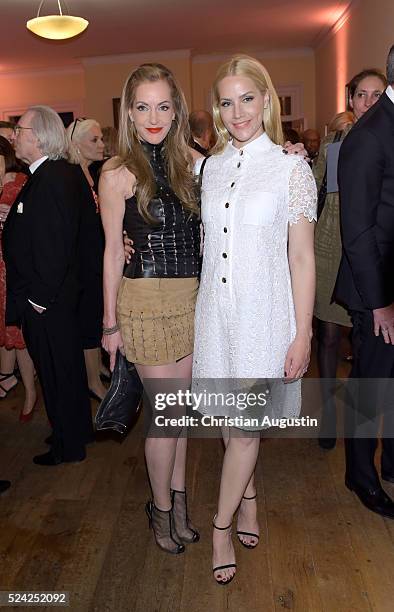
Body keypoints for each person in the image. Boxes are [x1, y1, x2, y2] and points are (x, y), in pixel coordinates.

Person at [192, 54, 316, 585]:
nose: (238, 110)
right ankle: (248, 500)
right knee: (227, 425)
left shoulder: (291, 168)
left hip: (264, 316)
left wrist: (303, 330)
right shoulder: (210, 167)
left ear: (266, 99)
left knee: (244, 430)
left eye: (247, 97)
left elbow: (302, 259)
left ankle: (220, 528)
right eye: (227, 101)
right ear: (217, 111)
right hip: (214, 315)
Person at [100, 63, 202, 554]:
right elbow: (112, 252)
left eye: (163, 105)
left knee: (180, 416)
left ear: (176, 109)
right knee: (165, 420)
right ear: (129, 114)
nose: (154, 116)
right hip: (143, 301)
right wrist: (109, 323)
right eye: (143, 107)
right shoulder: (117, 172)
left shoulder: (192, 162)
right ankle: (160, 509)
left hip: (192, 300)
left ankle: (178, 504)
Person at [2, 105, 94, 466]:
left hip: (48, 300)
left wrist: (39, 299)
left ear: (38, 136)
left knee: (58, 373)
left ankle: (67, 445)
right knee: (64, 371)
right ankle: (74, 432)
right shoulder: (50, 173)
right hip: (55, 297)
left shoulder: (53, 176)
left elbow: (56, 244)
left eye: (19, 129)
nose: (14, 136)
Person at [334, 47, 394, 518]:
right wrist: (381, 303)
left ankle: (390, 462)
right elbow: (356, 231)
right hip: (375, 291)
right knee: (371, 386)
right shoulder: (368, 136)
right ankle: (360, 473)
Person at [314, 69, 387, 450]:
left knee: (365, 342)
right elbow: (312, 190)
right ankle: (327, 411)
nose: (369, 102)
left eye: (377, 94)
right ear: (351, 100)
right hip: (329, 245)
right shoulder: (334, 144)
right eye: (362, 95)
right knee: (327, 335)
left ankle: (361, 421)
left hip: (369, 252)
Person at [66, 118, 108, 401]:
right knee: (88, 323)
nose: (102, 144)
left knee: (95, 320)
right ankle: (93, 381)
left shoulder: (89, 174)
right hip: (82, 267)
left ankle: (98, 369)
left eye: (101, 138)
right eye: (94, 140)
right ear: (76, 145)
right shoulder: (72, 178)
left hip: (95, 261)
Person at [0, 136, 37, 419]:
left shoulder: (21, 182)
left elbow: (33, 224)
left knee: (18, 332)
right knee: (5, 332)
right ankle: (7, 377)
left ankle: (31, 391)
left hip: (13, 266)